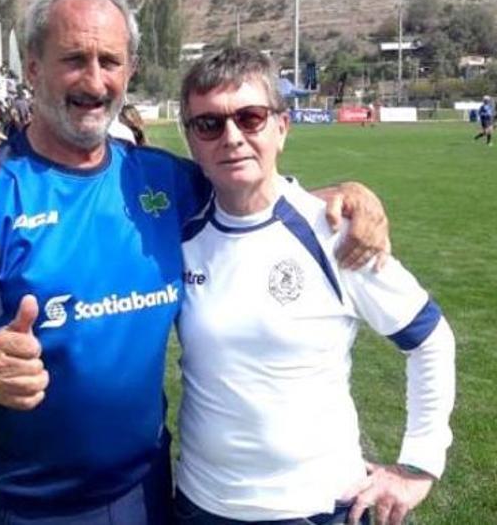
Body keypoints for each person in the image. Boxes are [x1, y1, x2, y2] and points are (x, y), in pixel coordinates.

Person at [0, 0, 390, 525]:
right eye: (73, 59)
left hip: (147, 495)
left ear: (129, 71)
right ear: (33, 68)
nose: (93, 79)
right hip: (26, 506)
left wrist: (343, 195)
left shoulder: (160, 179)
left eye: (110, 61)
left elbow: (253, 195)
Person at [174, 47, 455, 525]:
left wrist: (419, 464)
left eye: (251, 117)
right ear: (191, 140)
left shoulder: (337, 232)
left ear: (282, 127)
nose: (232, 137)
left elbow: (430, 339)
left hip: (317, 507)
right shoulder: (178, 235)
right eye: (210, 124)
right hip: (203, 507)